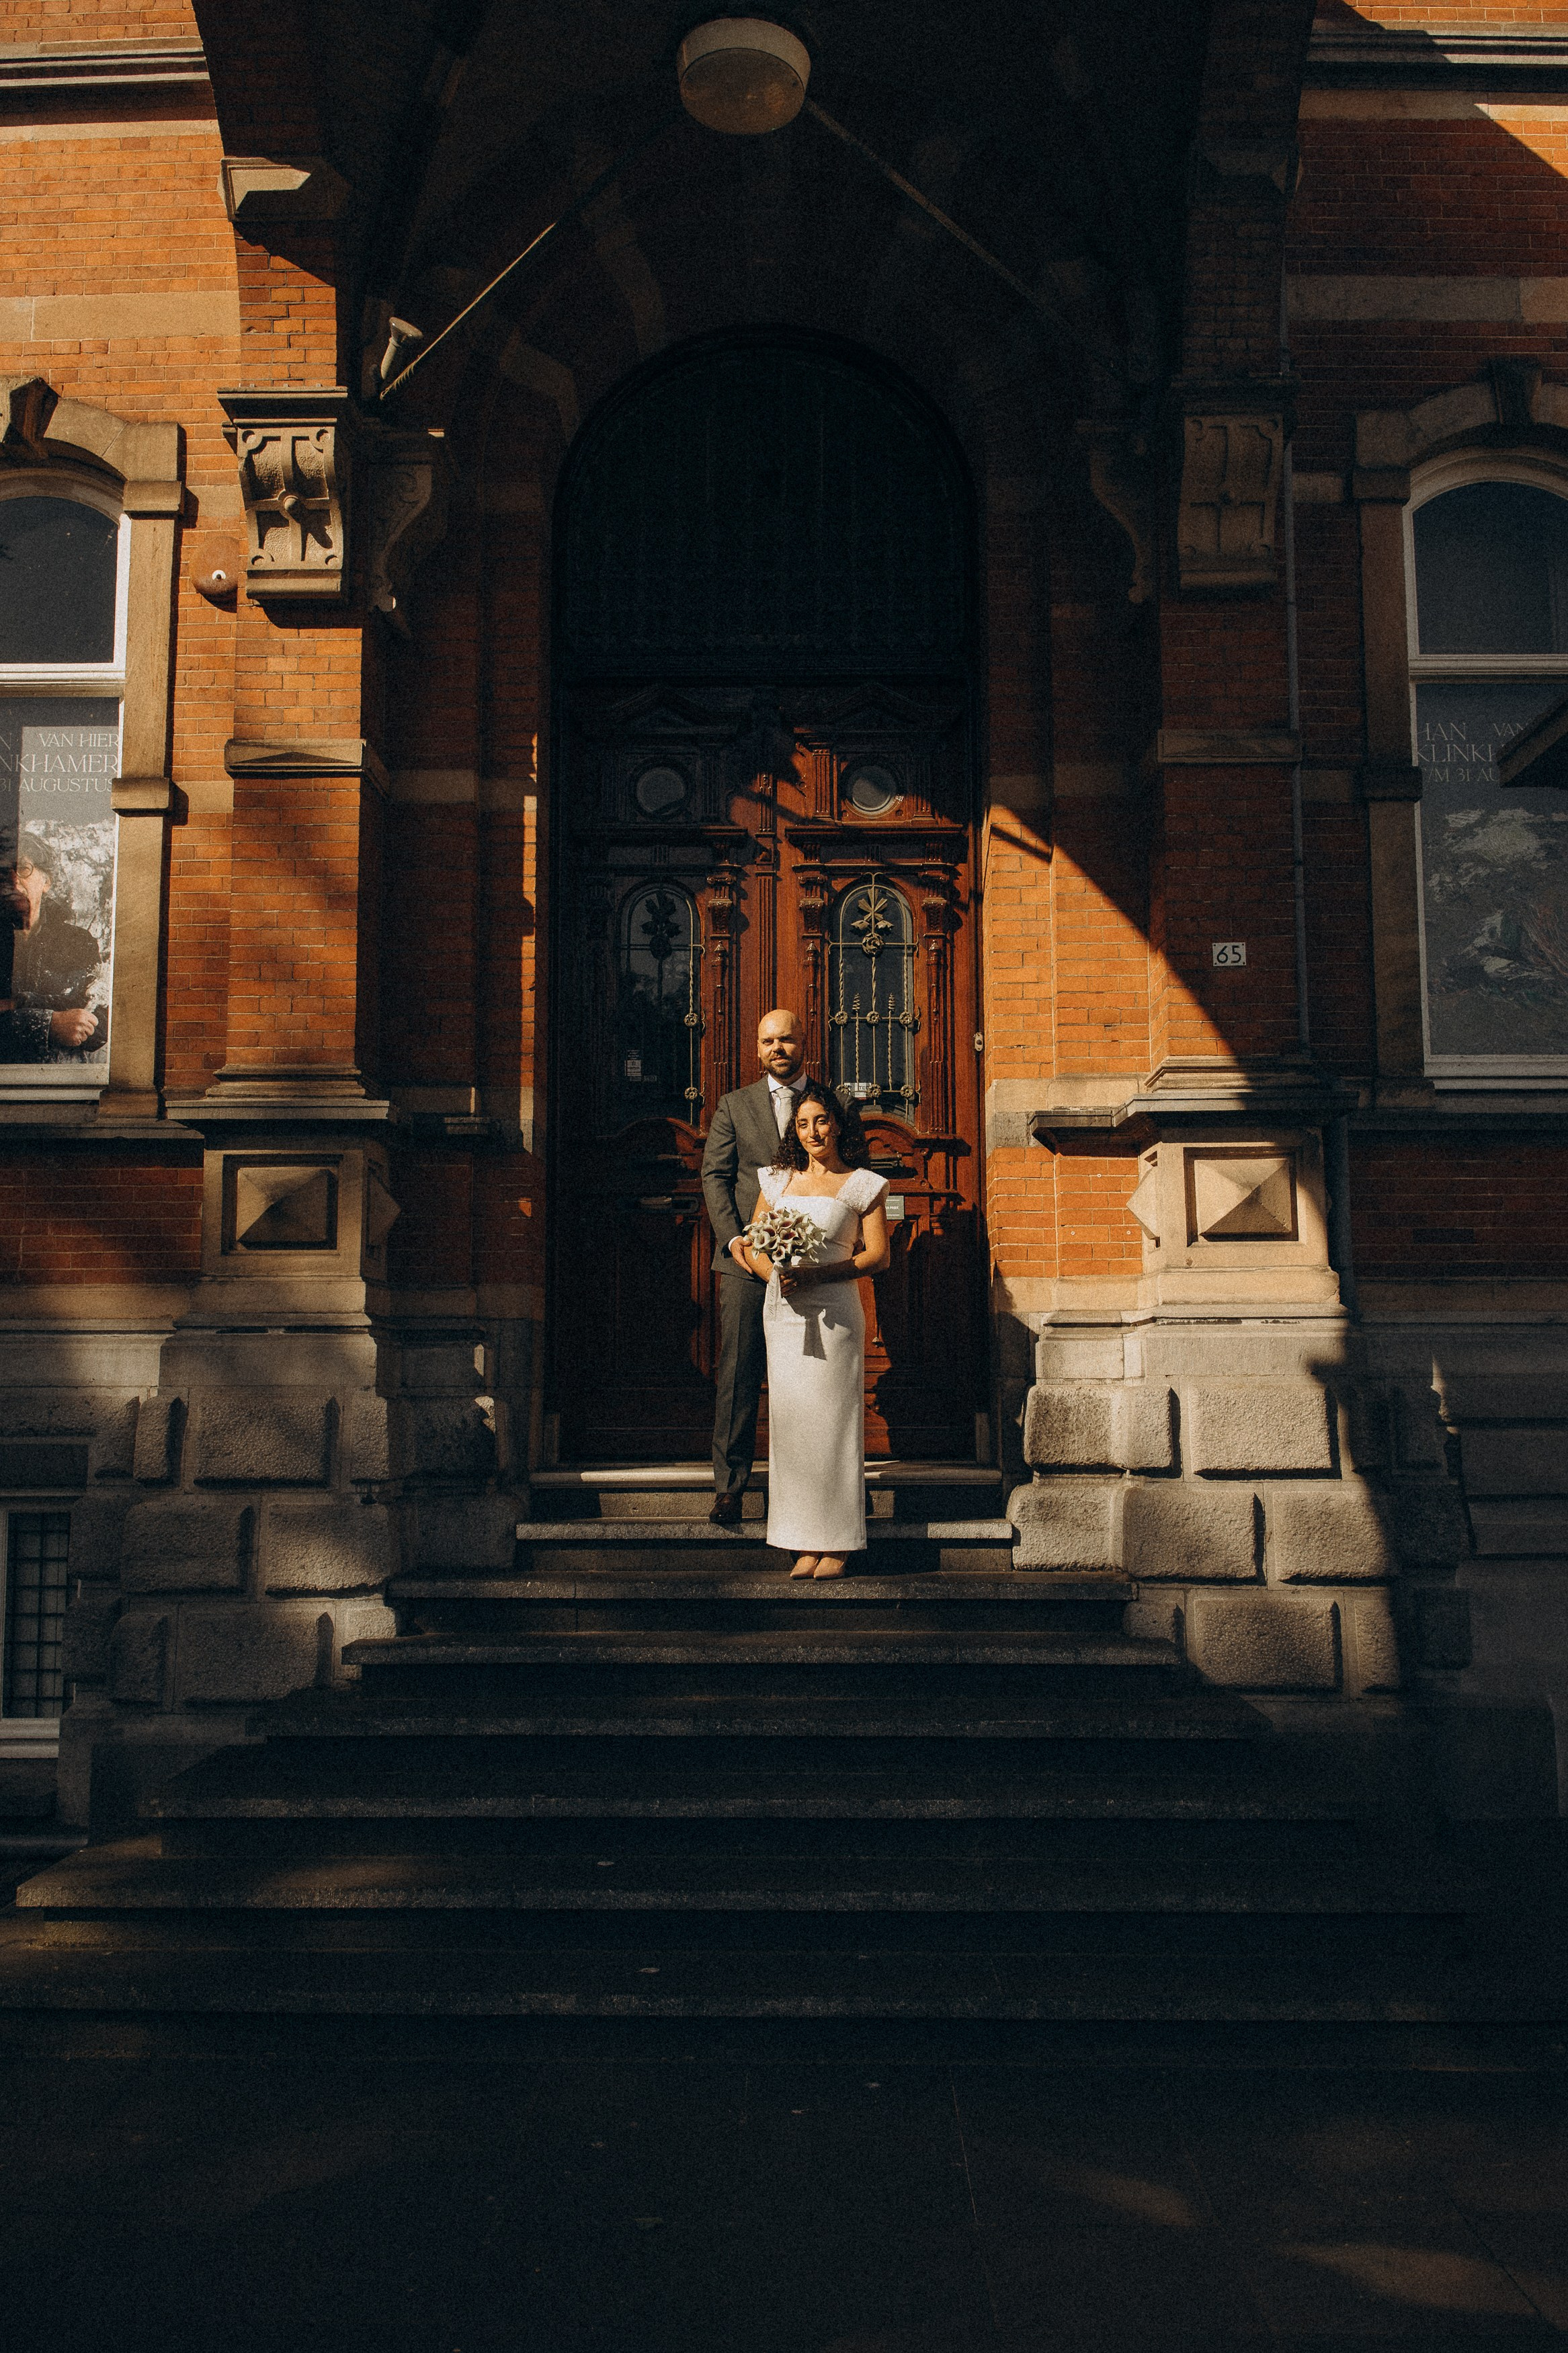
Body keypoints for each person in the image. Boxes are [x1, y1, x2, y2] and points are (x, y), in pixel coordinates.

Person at [733, 1081, 891, 1579]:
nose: (811, 1131)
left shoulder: (863, 1184)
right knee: (794, 1429)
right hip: (784, 1314)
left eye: (820, 1120)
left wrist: (819, 1275)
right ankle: (801, 1540)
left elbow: (876, 1256)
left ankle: (838, 1542)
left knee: (834, 1425)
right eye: (801, 1124)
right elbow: (755, 1246)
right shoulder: (776, 1181)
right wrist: (777, 1277)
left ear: (838, 1124)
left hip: (836, 1312)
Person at [700, 1008, 814, 1523]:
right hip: (745, 1263)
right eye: (768, 1041)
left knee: (812, 1375)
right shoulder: (734, 1105)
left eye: (786, 1040)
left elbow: (849, 1167)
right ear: (757, 1049)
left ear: (802, 1042)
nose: (778, 1049)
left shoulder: (828, 1103)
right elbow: (715, 1177)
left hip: (815, 1263)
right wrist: (735, 1242)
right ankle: (730, 1487)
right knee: (739, 1373)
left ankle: (813, 1485)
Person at [0, 833, 104, 1064]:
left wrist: (16, 1006)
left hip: (62, 1083)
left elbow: (101, 1024)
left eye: (24, 869)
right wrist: (48, 1025)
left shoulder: (77, 941)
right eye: (3, 872)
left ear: (46, 882)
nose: (13, 880)